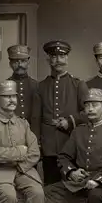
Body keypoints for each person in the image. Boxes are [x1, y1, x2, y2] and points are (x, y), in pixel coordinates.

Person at [31, 40, 89, 186]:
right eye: (54, 56)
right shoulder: (41, 86)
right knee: (51, 187)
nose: (58, 60)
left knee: (73, 187)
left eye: (61, 56)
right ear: (48, 60)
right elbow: (36, 117)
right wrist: (37, 143)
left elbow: (88, 112)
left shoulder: (78, 84)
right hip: (48, 145)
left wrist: (69, 121)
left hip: (71, 142)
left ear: (67, 59)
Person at [6, 44, 38, 128]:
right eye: (16, 61)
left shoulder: (37, 86)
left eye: (23, 61)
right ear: (10, 63)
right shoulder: (4, 87)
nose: (20, 65)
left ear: (28, 63)